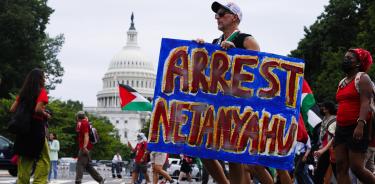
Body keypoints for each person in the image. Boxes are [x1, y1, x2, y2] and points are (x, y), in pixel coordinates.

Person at [196, 2, 260, 184]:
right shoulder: (215, 43)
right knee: (202, 150)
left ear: (235, 17)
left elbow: (259, 69)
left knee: (233, 153)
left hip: (237, 104)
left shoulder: (246, 39)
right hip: (215, 104)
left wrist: (236, 53)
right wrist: (200, 49)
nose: (217, 16)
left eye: (222, 13)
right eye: (217, 14)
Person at [335, 48, 375, 184]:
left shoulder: (363, 78)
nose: (345, 60)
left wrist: (361, 123)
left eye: (349, 58)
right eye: (345, 57)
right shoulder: (342, 82)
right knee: (340, 166)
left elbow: (366, 102)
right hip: (341, 128)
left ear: (358, 63)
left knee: (356, 167)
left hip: (356, 127)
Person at [10, 68, 51, 184]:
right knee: (44, 157)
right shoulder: (41, 91)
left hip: (23, 129)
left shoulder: (23, 92)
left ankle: (22, 182)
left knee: (25, 158)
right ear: (40, 79)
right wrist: (46, 114)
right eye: (43, 77)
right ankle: (39, 182)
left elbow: (12, 108)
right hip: (36, 128)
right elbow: (38, 109)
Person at [75, 111, 104, 184]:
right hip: (87, 146)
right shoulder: (84, 123)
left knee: (80, 164)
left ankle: (78, 181)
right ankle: (100, 179)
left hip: (84, 147)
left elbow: (86, 135)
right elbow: (78, 130)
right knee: (88, 166)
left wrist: (84, 147)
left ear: (78, 117)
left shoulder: (84, 123)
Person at [313, 101, 337, 183]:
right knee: (318, 174)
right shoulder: (325, 119)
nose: (321, 108)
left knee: (338, 174)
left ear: (327, 109)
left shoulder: (333, 120)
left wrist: (322, 150)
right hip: (325, 150)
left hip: (331, 151)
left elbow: (333, 138)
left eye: (322, 107)